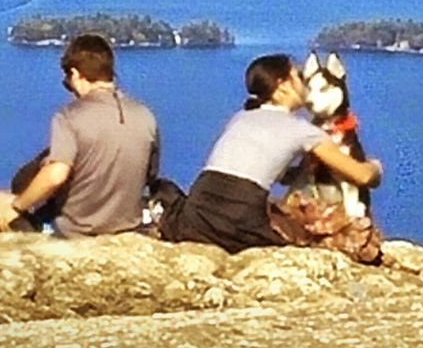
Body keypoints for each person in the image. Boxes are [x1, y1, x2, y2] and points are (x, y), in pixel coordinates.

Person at [158, 53, 381, 254]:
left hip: (196, 214)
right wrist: (374, 167)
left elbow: (272, 171)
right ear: (282, 86)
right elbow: (361, 176)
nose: (305, 86)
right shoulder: (303, 131)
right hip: (238, 221)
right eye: (298, 77)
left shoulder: (240, 118)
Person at [0, 33, 159, 237]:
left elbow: (55, 176)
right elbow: (149, 175)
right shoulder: (146, 116)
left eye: (67, 82)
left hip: (74, 231)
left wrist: (17, 206)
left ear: (75, 74)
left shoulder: (69, 116)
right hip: (126, 227)